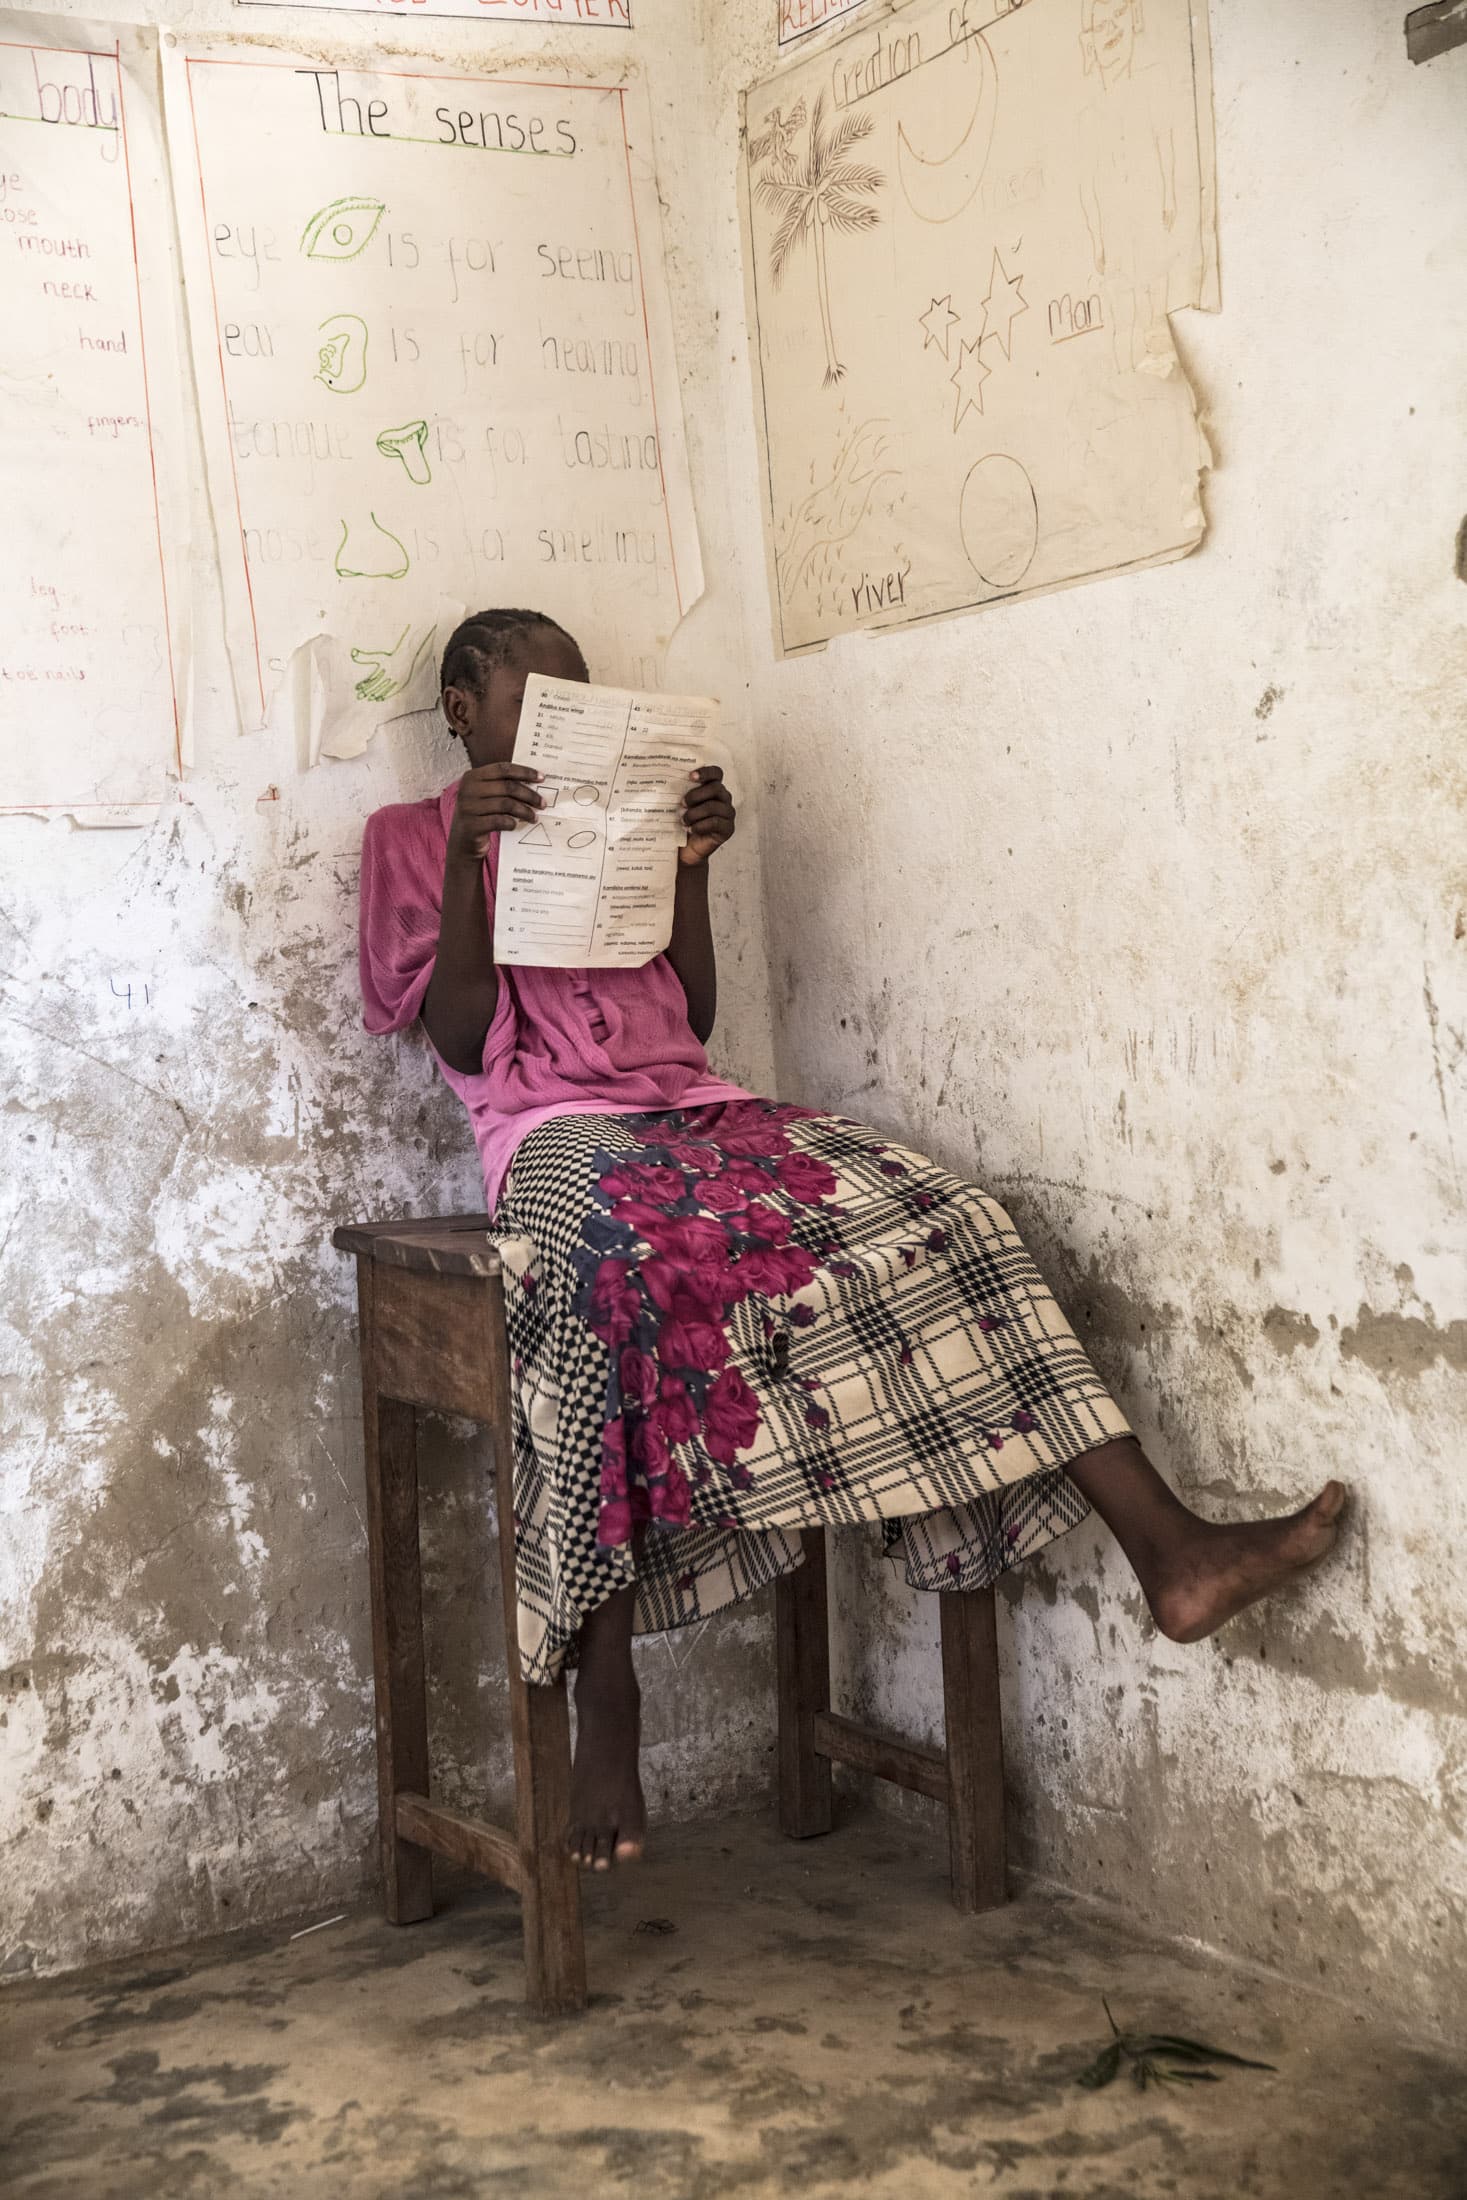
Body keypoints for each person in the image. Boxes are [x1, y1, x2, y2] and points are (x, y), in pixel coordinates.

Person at [358, 607, 1346, 1874]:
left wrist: (695, 863)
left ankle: (1172, 1547)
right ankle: (608, 1691)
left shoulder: (618, 822)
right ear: (462, 712)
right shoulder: (405, 840)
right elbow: (452, 1034)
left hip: (699, 1112)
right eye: (530, 706)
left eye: (579, 705)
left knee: (955, 1220)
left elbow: (694, 1015)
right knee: (601, 1273)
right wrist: (463, 854)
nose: (559, 730)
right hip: (550, 1139)